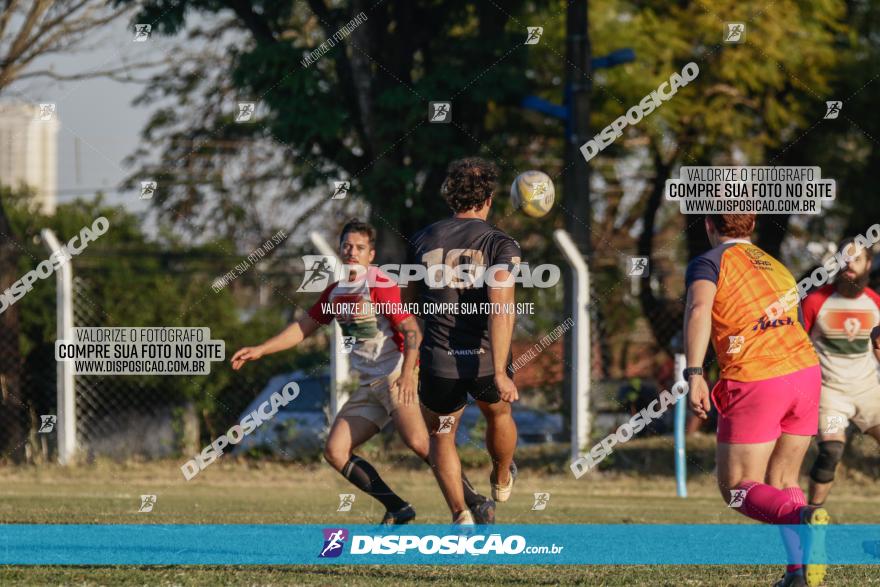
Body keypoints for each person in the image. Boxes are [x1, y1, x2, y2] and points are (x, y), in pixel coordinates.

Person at [231, 218, 494, 524]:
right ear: (340, 249)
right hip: (369, 384)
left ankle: (472, 504)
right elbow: (304, 328)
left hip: (396, 376)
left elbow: (412, 332)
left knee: (420, 442)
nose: (351, 251)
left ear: (371, 254)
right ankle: (398, 508)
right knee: (335, 451)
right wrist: (261, 349)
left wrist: (409, 374)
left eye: (359, 247)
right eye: (347, 245)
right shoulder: (335, 292)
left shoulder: (378, 285)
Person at [683, 214, 827, 587]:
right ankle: (798, 573)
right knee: (783, 479)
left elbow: (699, 309)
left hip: (758, 378)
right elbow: (795, 319)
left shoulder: (709, 262)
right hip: (806, 373)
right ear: (751, 226)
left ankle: (804, 519)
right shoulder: (777, 266)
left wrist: (695, 374)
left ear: (709, 226)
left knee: (735, 488)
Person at [410, 157, 519, 525]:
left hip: (440, 360)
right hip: (485, 360)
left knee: (442, 434)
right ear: (488, 198)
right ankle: (502, 475)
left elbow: (410, 301)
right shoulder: (500, 242)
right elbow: (501, 304)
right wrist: (502, 372)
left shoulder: (423, 238)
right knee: (499, 412)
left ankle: (461, 514)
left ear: (450, 197)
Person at [802, 239, 880, 505]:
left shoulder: (876, 303)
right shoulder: (815, 301)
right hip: (832, 398)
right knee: (831, 451)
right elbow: (796, 347)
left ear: (868, 264)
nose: (849, 265)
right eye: (845, 259)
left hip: (869, 394)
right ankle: (813, 521)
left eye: (856, 260)